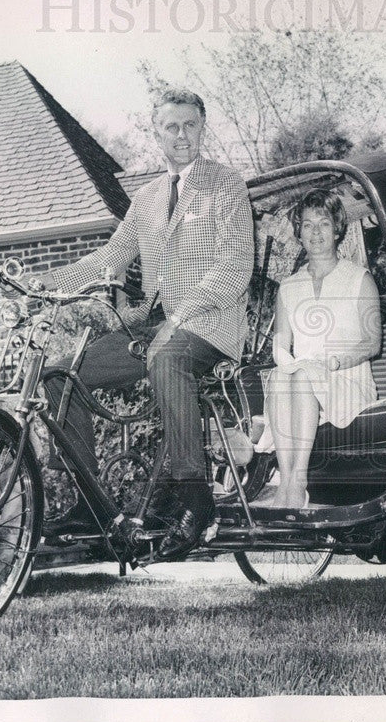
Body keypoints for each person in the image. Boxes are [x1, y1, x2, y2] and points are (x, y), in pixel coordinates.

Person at [34, 88, 254, 559]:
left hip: (209, 324)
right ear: (156, 134)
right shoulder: (147, 198)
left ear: (203, 127)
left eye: (190, 125)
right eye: (171, 126)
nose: (181, 135)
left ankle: (196, 501)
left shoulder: (226, 186)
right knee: (59, 373)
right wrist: (45, 280)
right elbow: (111, 256)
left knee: (167, 357)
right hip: (155, 325)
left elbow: (236, 268)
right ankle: (91, 507)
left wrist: (177, 317)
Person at [265, 188, 381, 508]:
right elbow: (280, 345)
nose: (316, 232)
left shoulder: (359, 279)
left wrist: (331, 362)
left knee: (301, 376)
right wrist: (290, 364)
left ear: (337, 230)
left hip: (347, 381)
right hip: (303, 378)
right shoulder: (288, 287)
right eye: (308, 225)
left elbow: (373, 343)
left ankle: (299, 479)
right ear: (299, 232)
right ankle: (285, 479)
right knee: (279, 376)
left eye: (324, 224)